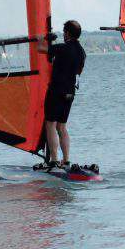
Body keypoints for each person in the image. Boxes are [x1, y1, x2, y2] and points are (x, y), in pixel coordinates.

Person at [36, 20, 86, 169]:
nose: (63, 34)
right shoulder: (81, 51)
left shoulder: (63, 48)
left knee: (50, 124)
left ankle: (54, 160)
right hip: (70, 92)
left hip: (57, 91)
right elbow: (79, 71)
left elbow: (41, 49)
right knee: (62, 127)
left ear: (68, 33)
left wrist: (40, 39)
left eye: (64, 32)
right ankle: (66, 160)